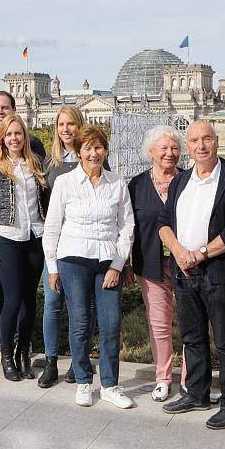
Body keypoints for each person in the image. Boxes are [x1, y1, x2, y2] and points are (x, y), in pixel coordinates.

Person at [157, 120, 225, 430]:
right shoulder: (181, 181)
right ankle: (197, 393)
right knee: (192, 338)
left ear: (216, 141)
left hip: (217, 272)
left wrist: (200, 254)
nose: (201, 145)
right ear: (189, 145)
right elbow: (163, 223)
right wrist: (178, 251)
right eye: (195, 140)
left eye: (207, 139)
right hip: (184, 272)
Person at [43, 125, 135, 409]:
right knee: (80, 323)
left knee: (110, 324)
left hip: (108, 261)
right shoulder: (65, 183)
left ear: (105, 150)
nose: (93, 153)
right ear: (79, 152)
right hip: (73, 261)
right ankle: (83, 381)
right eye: (88, 148)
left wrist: (118, 265)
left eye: (98, 147)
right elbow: (52, 228)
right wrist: (53, 268)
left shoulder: (118, 183)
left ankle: (110, 384)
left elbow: (127, 226)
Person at [0, 91, 46, 358]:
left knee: (29, 301)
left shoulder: (36, 161)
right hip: (7, 238)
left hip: (35, 237)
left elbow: (45, 202)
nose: (14, 138)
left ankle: (23, 352)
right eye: (9, 134)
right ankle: (5, 353)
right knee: (10, 298)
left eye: (18, 133)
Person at [128, 125, 187, 402]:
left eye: (174, 148)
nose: (170, 153)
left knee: (191, 323)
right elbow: (128, 226)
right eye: (163, 148)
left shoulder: (189, 181)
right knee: (159, 324)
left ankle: (190, 378)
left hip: (186, 263)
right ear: (151, 151)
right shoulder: (137, 185)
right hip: (150, 263)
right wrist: (126, 262)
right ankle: (163, 378)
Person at [37, 105, 87, 388]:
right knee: (53, 302)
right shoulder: (49, 163)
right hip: (56, 242)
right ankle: (51, 361)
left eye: (71, 124)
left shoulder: (92, 158)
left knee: (79, 305)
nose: (66, 130)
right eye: (61, 125)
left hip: (82, 244)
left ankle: (77, 360)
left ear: (79, 126)